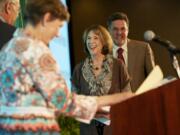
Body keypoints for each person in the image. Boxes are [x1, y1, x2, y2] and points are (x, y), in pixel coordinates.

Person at [0, 0, 134, 134]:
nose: (58, 34)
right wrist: (113, 99)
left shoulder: (9, 48)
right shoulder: (37, 51)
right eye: (58, 26)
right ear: (46, 19)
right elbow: (62, 101)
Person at [72, 25, 131, 135]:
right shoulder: (78, 69)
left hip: (114, 125)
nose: (91, 41)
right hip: (88, 129)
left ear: (104, 41)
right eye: (88, 38)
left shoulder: (118, 65)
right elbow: (74, 101)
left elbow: (127, 95)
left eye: (95, 38)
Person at [107, 12, 155, 92]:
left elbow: (153, 77)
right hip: (113, 102)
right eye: (115, 29)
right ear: (109, 31)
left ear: (128, 30)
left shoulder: (143, 48)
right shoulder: (103, 52)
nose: (119, 33)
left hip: (139, 100)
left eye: (123, 29)